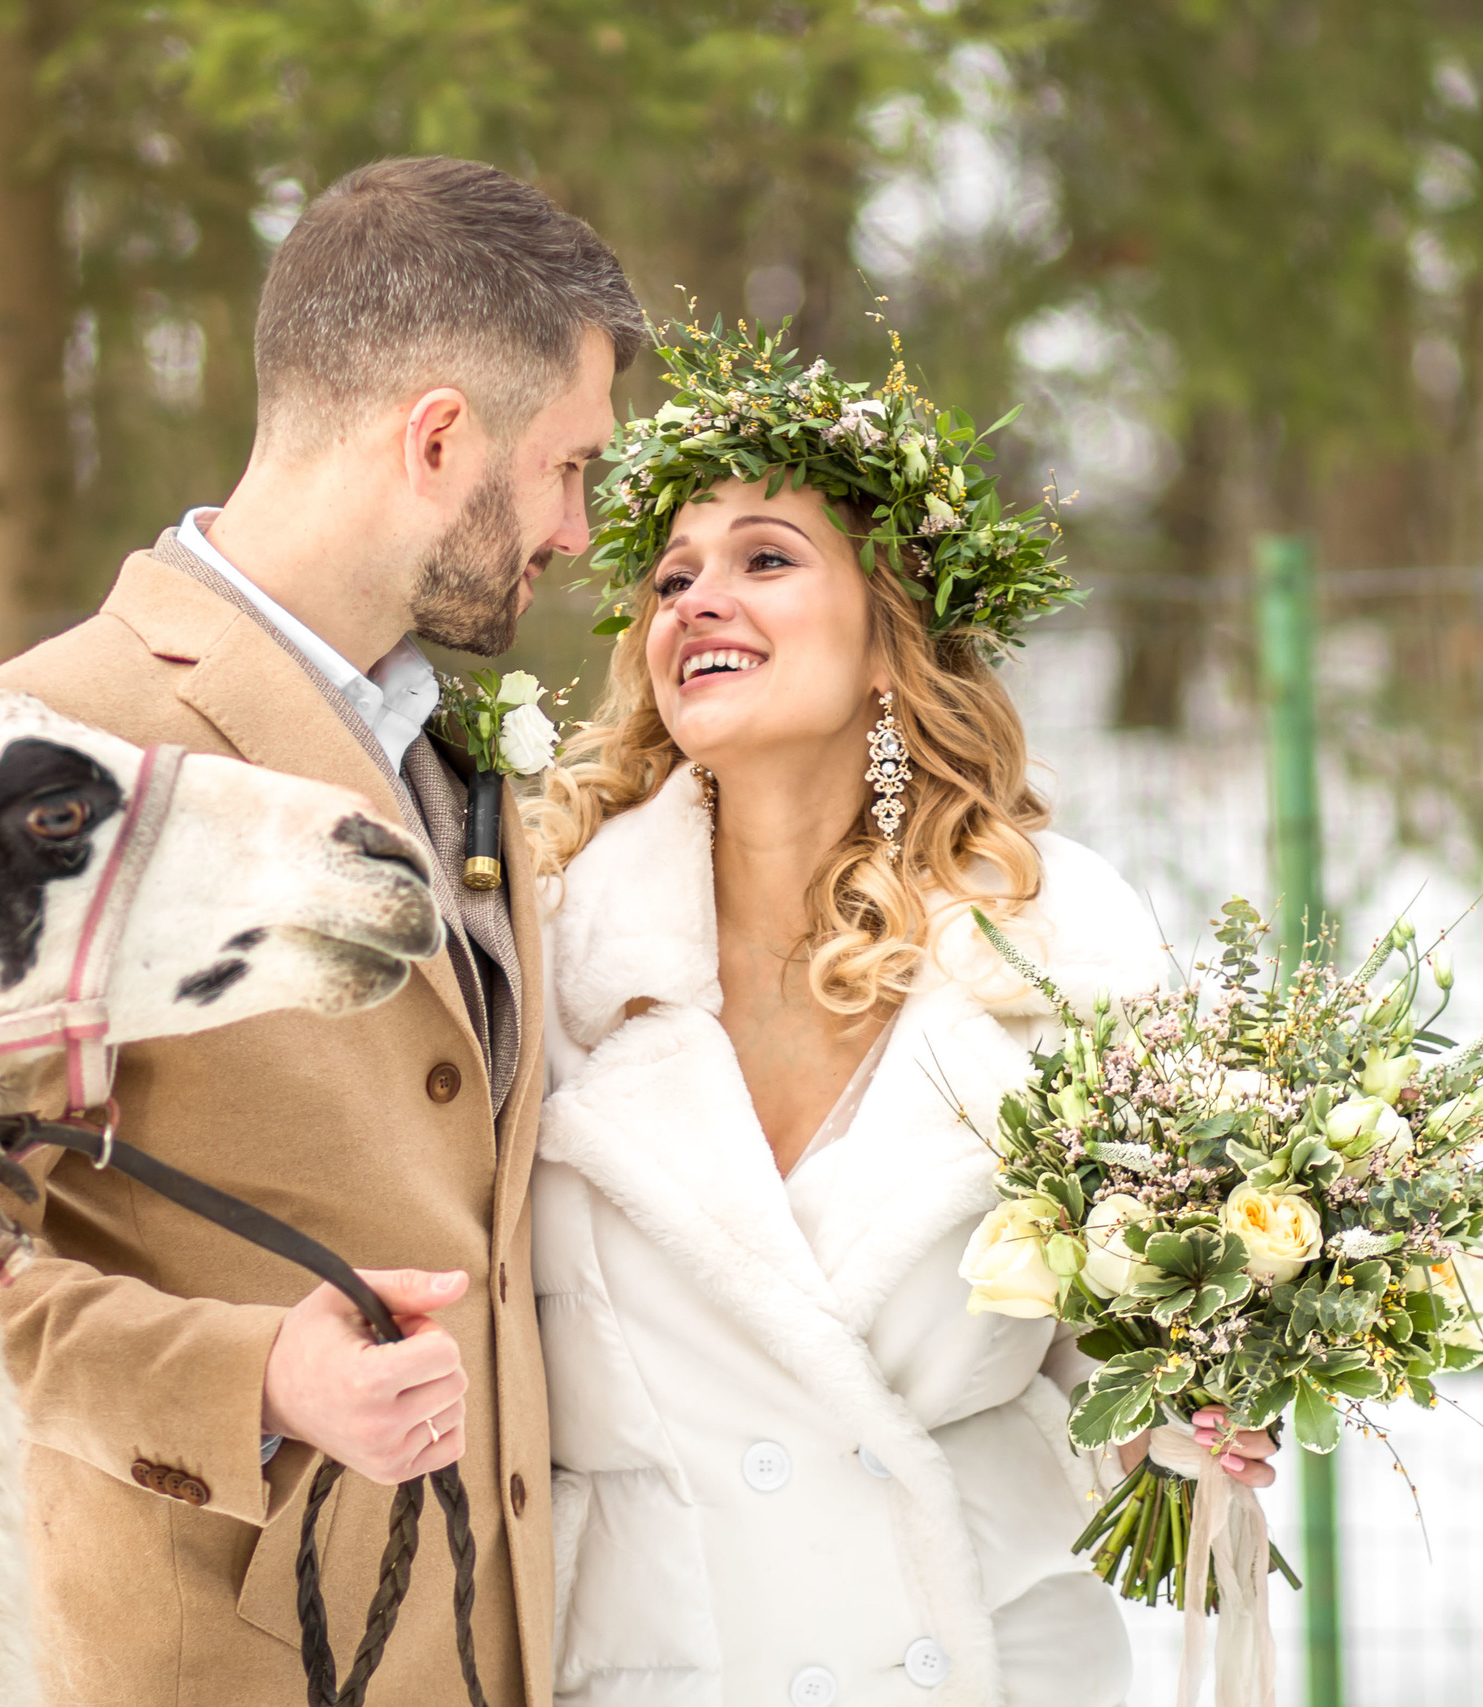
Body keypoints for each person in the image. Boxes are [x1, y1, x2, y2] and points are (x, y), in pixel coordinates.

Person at [529, 322, 1277, 1705]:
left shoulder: (1058, 948)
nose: (697, 598)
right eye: (673, 575)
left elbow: (1112, 1375)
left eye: (765, 558)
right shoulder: (546, 944)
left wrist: (1184, 1416)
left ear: (890, 643)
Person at [0, 156, 646, 1707]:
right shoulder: (47, 751)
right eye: (568, 468)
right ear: (437, 437)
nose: (577, 526)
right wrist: (255, 1379)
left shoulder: (440, 743)